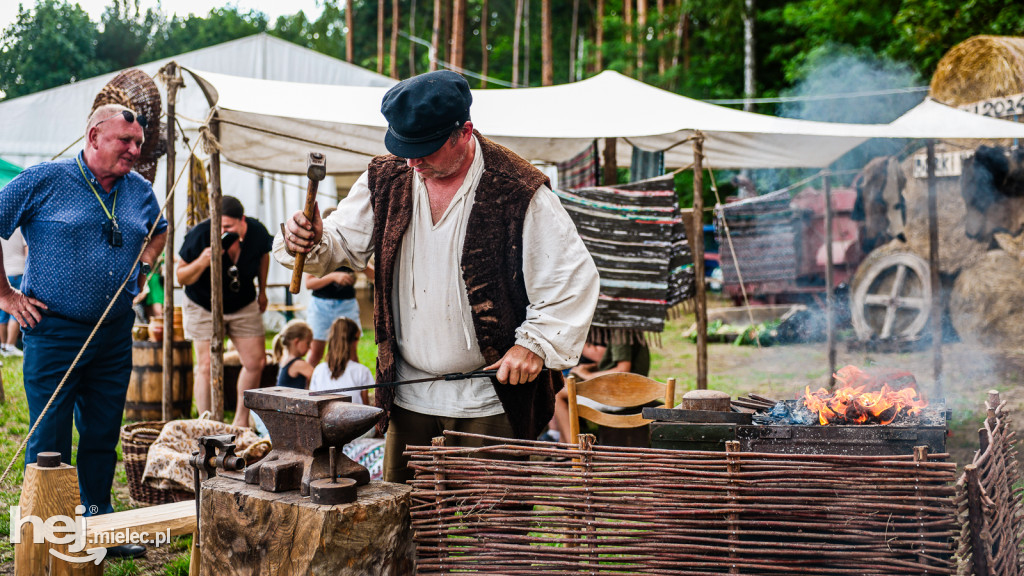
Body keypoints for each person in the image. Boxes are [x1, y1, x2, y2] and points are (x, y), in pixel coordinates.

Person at [275, 70, 600, 483]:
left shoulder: (518, 188)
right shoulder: (388, 176)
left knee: (496, 535)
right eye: (404, 148)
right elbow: (339, 240)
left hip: (489, 401)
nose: (413, 161)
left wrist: (534, 345)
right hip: (409, 396)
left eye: (424, 149)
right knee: (405, 529)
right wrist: (310, 238)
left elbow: (572, 277)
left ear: (463, 132)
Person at [0, 104, 167, 559]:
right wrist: (6, 295)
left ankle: (98, 524)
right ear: (93, 137)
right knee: (49, 435)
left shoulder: (141, 192)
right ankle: (48, 532)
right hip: (52, 329)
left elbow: (159, 230)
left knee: (101, 433)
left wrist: (145, 266)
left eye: (138, 143)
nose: (134, 150)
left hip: (113, 334)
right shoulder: (44, 180)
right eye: (124, 142)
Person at [177, 195, 272, 427]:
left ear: (242, 221)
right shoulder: (200, 234)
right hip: (203, 304)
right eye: (218, 226)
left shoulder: (257, 232)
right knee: (206, 365)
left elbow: (263, 257)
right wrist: (202, 261)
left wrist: (263, 290)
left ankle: (241, 421)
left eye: (228, 226)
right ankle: (207, 424)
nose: (221, 231)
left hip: (243, 303)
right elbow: (180, 276)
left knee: (255, 362)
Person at [304, 207, 362, 366]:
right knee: (315, 354)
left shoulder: (351, 246)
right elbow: (309, 283)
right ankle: (308, 389)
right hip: (321, 305)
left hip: (347, 304)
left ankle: (352, 389)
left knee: (351, 354)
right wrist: (334, 277)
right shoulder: (316, 247)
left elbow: (367, 270)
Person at [309, 316, 373, 405]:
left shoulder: (318, 370)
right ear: (354, 342)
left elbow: (313, 402)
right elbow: (366, 408)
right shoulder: (362, 371)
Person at [0, 228, 26, 356]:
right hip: (18, 271)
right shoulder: (20, 228)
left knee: (2, 313)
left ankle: (3, 345)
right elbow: (27, 252)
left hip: (3, 274)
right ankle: (10, 346)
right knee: (16, 309)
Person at [271, 319, 314, 389]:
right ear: (296, 342)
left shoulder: (284, 359)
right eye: (308, 343)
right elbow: (319, 378)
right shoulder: (298, 364)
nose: (310, 347)